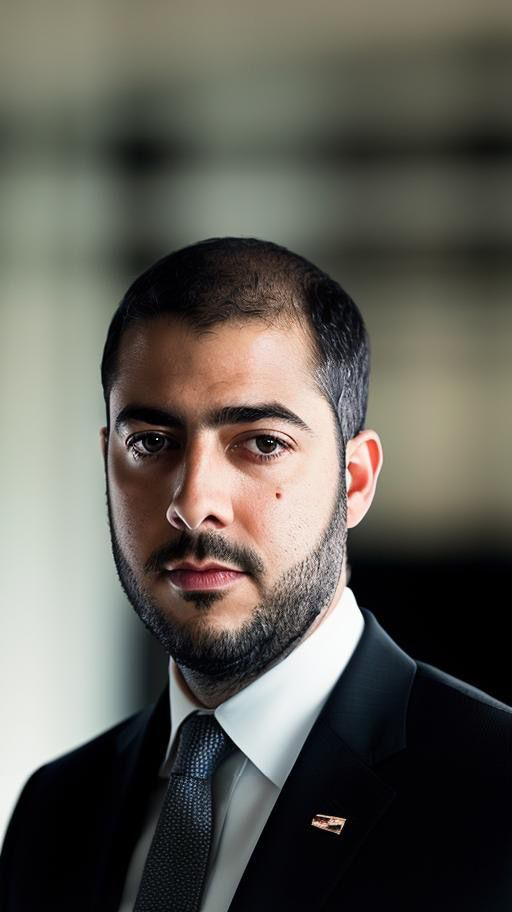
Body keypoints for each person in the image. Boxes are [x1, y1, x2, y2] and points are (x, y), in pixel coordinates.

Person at [1, 237, 511, 912]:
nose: (192, 503)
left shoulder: (495, 794)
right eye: (151, 443)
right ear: (108, 460)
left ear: (354, 482)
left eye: (262, 443)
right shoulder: (54, 811)